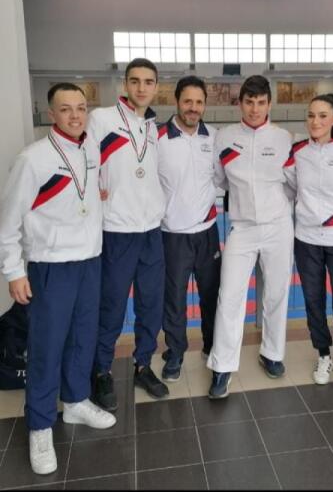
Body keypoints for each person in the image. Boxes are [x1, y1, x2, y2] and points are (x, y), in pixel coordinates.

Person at [0, 83, 116, 475]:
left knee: (83, 338)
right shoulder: (32, 159)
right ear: (51, 114)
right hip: (51, 266)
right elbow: (8, 221)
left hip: (89, 262)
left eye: (81, 108)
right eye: (66, 109)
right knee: (47, 347)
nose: (75, 115)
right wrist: (14, 271)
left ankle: (77, 401)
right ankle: (39, 425)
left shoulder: (91, 151)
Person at [87, 58, 169, 410]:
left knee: (151, 304)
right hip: (118, 230)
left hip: (151, 230)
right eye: (135, 81)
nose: (141, 87)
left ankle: (143, 365)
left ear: (156, 87)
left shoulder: (153, 128)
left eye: (148, 82)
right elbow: (85, 163)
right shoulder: (102, 119)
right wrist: (94, 192)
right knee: (112, 305)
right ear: (125, 84)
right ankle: (101, 370)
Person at [207, 75, 294, 399]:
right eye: (249, 102)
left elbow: (292, 183)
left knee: (276, 293)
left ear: (269, 104)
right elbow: (220, 179)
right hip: (241, 228)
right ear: (240, 104)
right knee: (229, 296)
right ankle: (222, 365)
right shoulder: (225, 137)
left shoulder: (284, 138)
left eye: (260, 103)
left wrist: (274, 206)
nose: (255, 109)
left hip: (278, 227)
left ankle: (272, 353)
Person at [284, 93, 333, 408]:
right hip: (306, 239)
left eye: (322, 115)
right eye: (310, 115)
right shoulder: (298, 152)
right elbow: (292, 187)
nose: (315, 121)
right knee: (313, 302)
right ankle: (323, 355)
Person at [156, 76, 221, 381]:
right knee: (174, 300)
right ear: (177, 102)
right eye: (187, 101)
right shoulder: (157, 139)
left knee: (211, 295)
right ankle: (175, 353)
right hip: (173, 235)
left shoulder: (214, 138)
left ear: (204, 105)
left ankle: (211, 347)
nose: (193, 108)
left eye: (198, 102)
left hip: (207, 232)